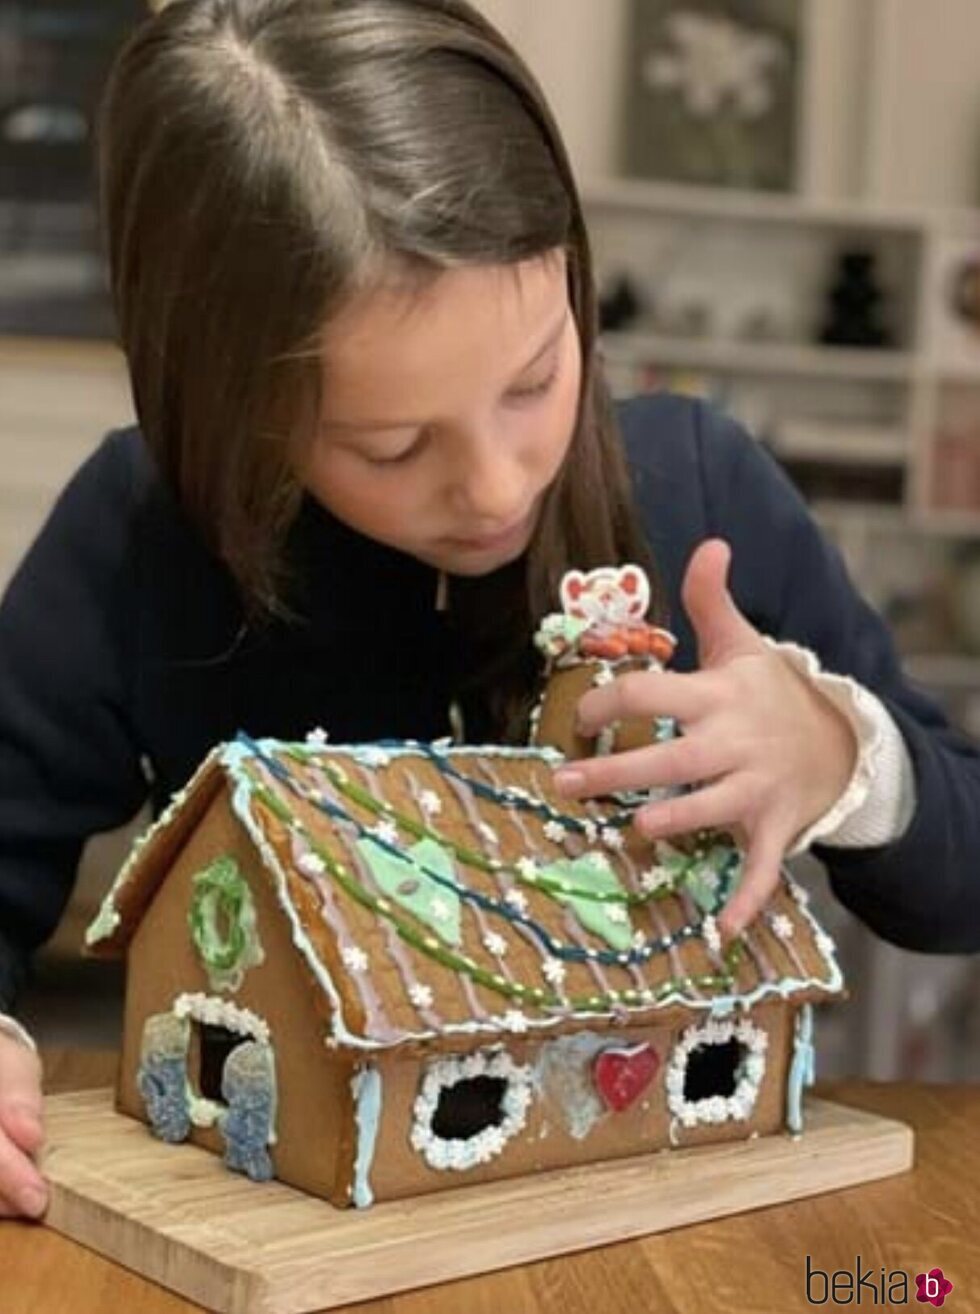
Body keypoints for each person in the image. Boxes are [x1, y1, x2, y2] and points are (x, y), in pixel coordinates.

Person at [0, 0, 977, 1223]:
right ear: (226, 416)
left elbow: (962, 873)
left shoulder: (697, 488)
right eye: (392, 444)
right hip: (301, 1222)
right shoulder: (140, 532)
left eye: (534, 380)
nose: (497, 485)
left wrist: (842, 755)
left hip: (666, 1210)